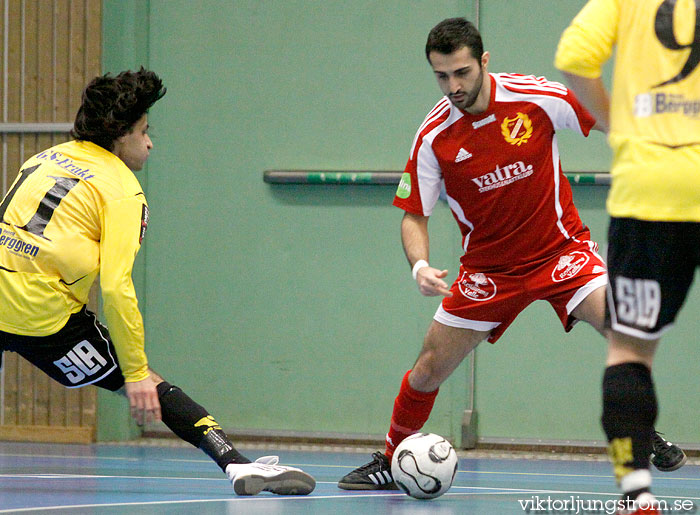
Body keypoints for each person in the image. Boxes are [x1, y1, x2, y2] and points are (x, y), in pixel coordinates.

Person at [337, 17, 685, 493]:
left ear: (483, 61)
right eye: (441, 76)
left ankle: (637, 434)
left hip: (562, 253)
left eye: (461, 72)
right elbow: (414, 215)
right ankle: (391, 456)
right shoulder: (434, 137)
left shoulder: (535, 97)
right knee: (427, 369)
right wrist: (419, 265)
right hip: (488, 272)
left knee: (625, 330)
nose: (453, 86)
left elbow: (607, 119)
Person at [0, 68, 315, 497]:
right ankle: (236, 465)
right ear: (119, 135)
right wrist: (134, 374)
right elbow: (115, 286)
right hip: (44, 318)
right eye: (144, 131)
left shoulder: (44, 157)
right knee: (154, 384)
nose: (150, 142)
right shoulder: (122, 190)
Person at [555, 1, 700, 513]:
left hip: (651, 189)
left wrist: (620, 125)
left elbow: (574, 55)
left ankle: (637, 495)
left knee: (630, 353)